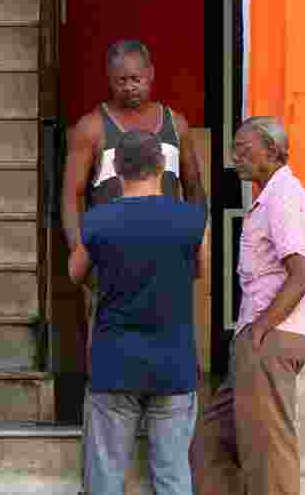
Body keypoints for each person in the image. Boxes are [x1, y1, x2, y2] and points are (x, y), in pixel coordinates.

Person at [69, 130, 207, 495]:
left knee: (105, 475)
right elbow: (200, 270)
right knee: (173, 474)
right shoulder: (192, 220)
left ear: (115, 168)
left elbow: (74, 273)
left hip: (115, 361)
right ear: (162, 165)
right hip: (174, 362)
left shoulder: (99, 220)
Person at [190, 117, 305, 495]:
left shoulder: (283, 197)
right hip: (256, 340)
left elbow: (301, 274)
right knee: (210, 443)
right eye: (234, 150)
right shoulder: (269, 198)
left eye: (245, 150)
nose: (234, 157)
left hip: (271, 339)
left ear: (273, 152)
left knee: (268, 451)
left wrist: (260, 329)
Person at [63, 39, 207, 357]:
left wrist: (195, 245)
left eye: (136, 79)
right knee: (107, 343)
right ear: (109, 80)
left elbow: (194, 188)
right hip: (110, 257)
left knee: (170, 338)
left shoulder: (176, 124)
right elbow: (72, 196)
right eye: (121, 80)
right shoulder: (91, 128)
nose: (129, 87)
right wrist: (80, 252)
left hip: (168, 255)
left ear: (151, 74)